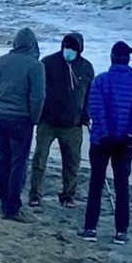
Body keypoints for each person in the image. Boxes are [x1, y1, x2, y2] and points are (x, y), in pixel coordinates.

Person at [79, 41, 132, 246]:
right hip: (124, 143)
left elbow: (96, 109)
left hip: (101, 141)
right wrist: (131, 136)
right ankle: (121, 232)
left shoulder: (101, 81)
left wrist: (103, 135)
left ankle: (90, 229)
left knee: (96, 184)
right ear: (127, 59)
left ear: (112, 57)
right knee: (122, 186)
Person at [29, 32, 95, 208]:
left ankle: (68, 195)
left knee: (72, 162)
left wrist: (86, 115)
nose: (69, 50)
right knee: (39, 159)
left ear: (80, 49)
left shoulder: (86, 68)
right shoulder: (48, 63)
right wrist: (37, 113)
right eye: (67, 46)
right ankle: (35, 194)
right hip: (47, 122)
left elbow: (89, 95)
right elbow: (38, 90)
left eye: (73, 47)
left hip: (73, 124)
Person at [0, 27, 45, 223]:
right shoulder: (35, 66)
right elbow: (38, 97)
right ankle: (12, 207)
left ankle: (4, 202)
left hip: (0, 118)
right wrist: (34, 118)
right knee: (18, 164)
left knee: (4, 159)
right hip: (21, 119)